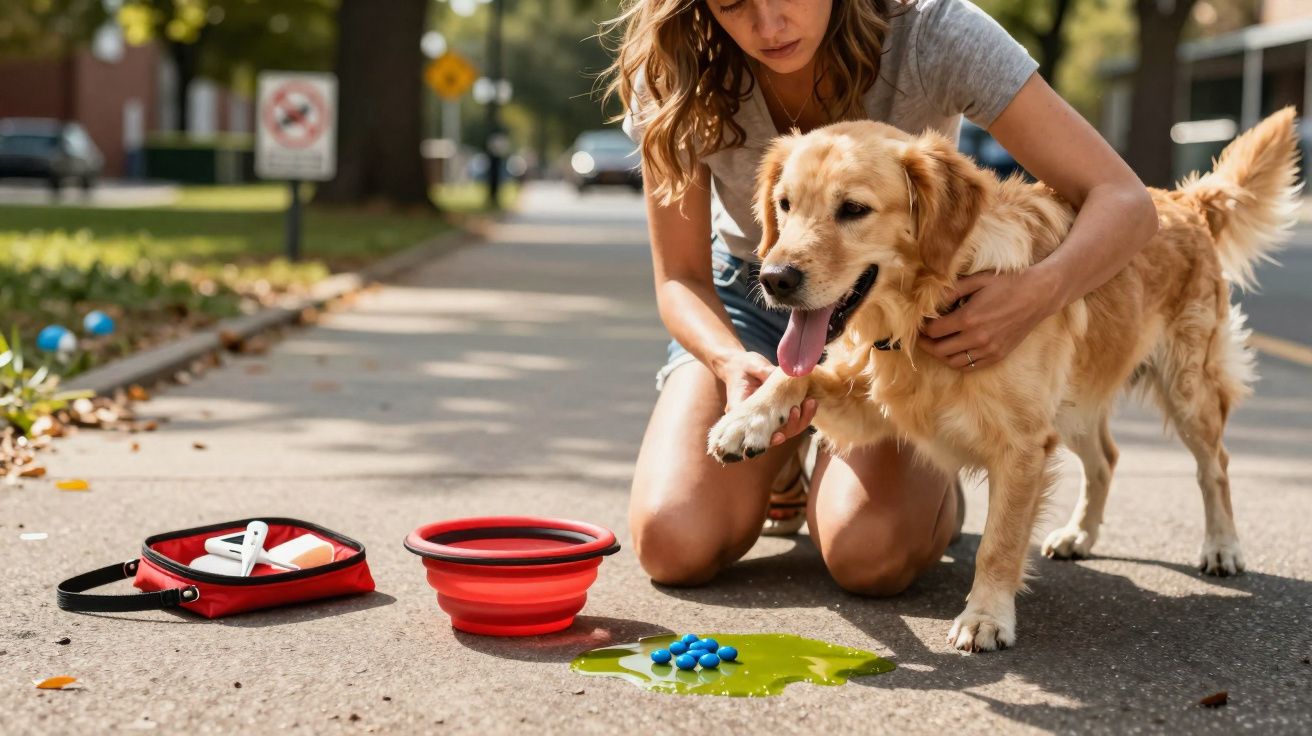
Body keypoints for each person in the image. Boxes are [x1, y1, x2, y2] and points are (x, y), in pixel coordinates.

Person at [603, 0, 1158, 594]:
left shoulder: (934, 32)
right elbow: (680, 278)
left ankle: (930, 482)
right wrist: (728, 361)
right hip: (756, 294)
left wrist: (1035, 293)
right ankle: (783, 463)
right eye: (733, 4)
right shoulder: (676, 66)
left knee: (869, 557)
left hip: (916, 312)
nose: (767, 26)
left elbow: (1126, 201)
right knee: (672, 542)